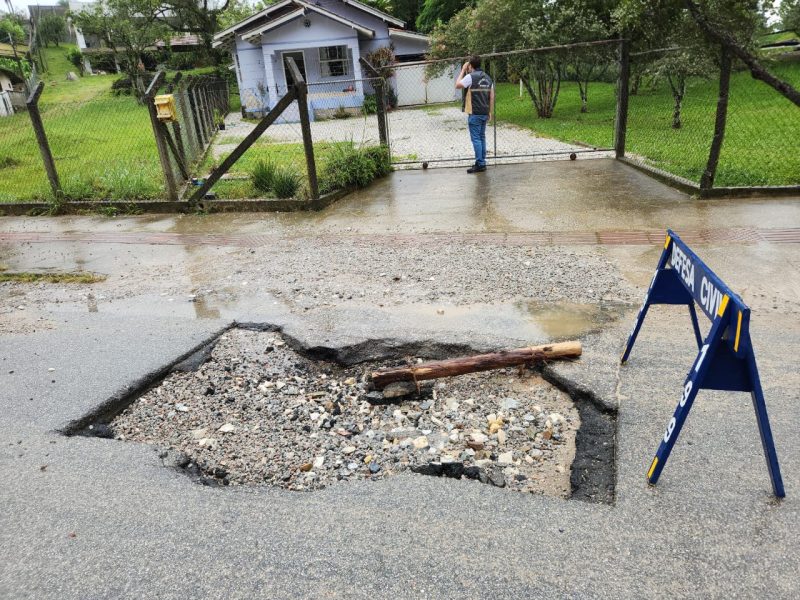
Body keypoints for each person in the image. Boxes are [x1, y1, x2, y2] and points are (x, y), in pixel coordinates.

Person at [455, 55, 495, 174]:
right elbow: (492, 97)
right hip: (484, 112)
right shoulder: (488, 78)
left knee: (476, 139)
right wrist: (490, 112)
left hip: (475, 113)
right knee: (482, 137)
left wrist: (462, 70)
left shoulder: (470, 77)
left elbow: (457, 85)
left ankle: (480, 164)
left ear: (471, 66)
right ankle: (481, 162)